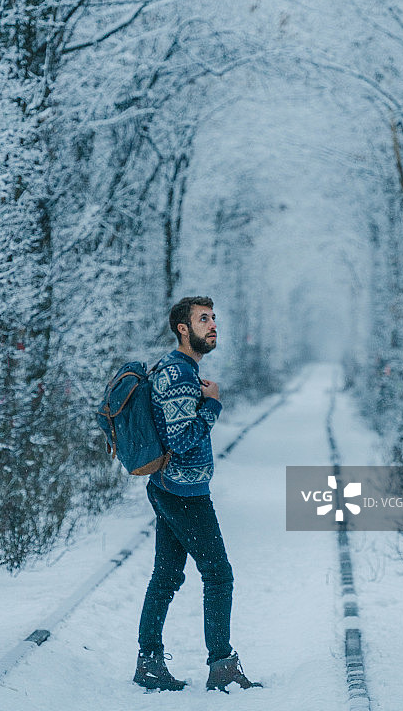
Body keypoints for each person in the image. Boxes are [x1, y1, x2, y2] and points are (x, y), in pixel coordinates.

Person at [134, 296, 262, 693]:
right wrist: (213, 405)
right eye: (203, 319)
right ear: (183, 329)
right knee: (219, 575)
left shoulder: (184, 371)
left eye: (213, 318)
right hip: (183, 492)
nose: (213, 325)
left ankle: (150, 664)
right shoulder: (178, 376)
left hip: (172, 488)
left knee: (167, 575)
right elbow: (182, 439)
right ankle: (221, 665)